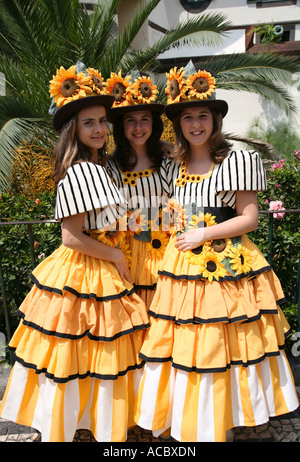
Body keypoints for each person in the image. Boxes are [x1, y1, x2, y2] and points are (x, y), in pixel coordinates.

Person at [134, 63, 299, 442]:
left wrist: (201, 235)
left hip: (224, 264)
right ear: (178, 125)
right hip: (181, 268)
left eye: (202, 116)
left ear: (215, 120)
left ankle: (222, 415)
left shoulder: (237, 159)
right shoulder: (174, 165)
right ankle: (193, 416)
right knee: (189, 343)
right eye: (188, 117)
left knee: (225, 343)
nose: (195, 124)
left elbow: (250, 218)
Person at [0, 64, 149, 442]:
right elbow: (71, 237)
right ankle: (82, 425)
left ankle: (85, 423)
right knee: (89, 352)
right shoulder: (82, 170)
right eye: (89, 123)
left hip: (99, 265)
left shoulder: (99, 166)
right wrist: (116, 256)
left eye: (101, 120)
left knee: (92, 353)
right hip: (87, 267)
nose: (99, 129)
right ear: (75, 130)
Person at [105, 70, 171, 308]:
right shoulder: (110, 167)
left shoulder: (168, 160)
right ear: (121, 126)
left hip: (164, 251)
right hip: (126, 255)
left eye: (145, 119)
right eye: (130, 120)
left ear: (154, 123)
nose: (138, 127)